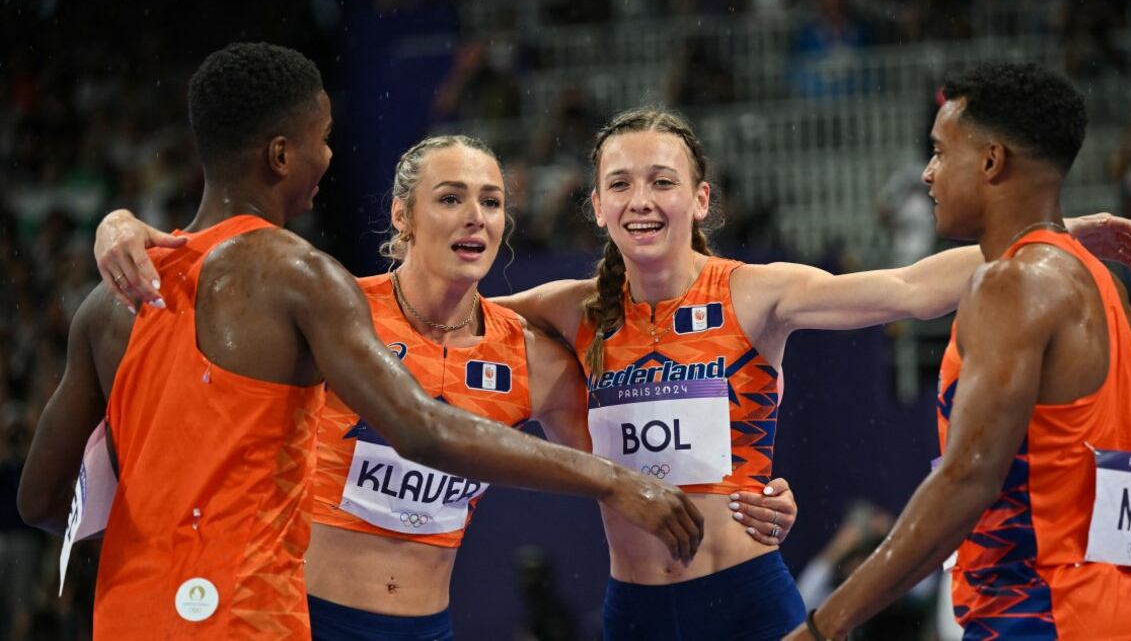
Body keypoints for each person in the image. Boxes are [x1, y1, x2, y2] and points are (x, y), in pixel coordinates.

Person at [99, 105, 1131, 640]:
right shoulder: (560, 318)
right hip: (633, 611)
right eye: (618, 184)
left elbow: (909, 288)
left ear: (702, 198)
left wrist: (1034, 234)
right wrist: (148, 233)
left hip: (750, 596)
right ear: (595, 208)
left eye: (661, 180)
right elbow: (399, 312)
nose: (640, 198)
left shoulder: (759, 292)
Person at [16, 43, 704, 639]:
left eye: (492, 201)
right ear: (282, 155)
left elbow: (41, 501)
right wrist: (617, 483)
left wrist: (166, 563)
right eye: (323, 137)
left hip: (138, 617)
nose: (329, 155)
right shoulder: (313, 287)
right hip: (266, 616)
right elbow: (425, 430)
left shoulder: (111, 301)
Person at [91, 133, 790, 640]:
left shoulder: (531, 358)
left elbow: (636, 472)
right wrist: (122, 227)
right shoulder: (335, 315)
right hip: (307, 616)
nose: (474, 218)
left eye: (490, 201)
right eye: (450, 198)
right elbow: (209, 293)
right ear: (403, 216)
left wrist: (754, 498)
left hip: (428, 627)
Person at [788, 63, 1131, 640]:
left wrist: (822, 627)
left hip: (1042, 618)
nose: (927, 173)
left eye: (941, 153)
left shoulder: (1009, 286)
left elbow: (967, 480)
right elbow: (1114, 476)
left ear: (992, 162)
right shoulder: (1105, 288)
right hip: (1126, 610)